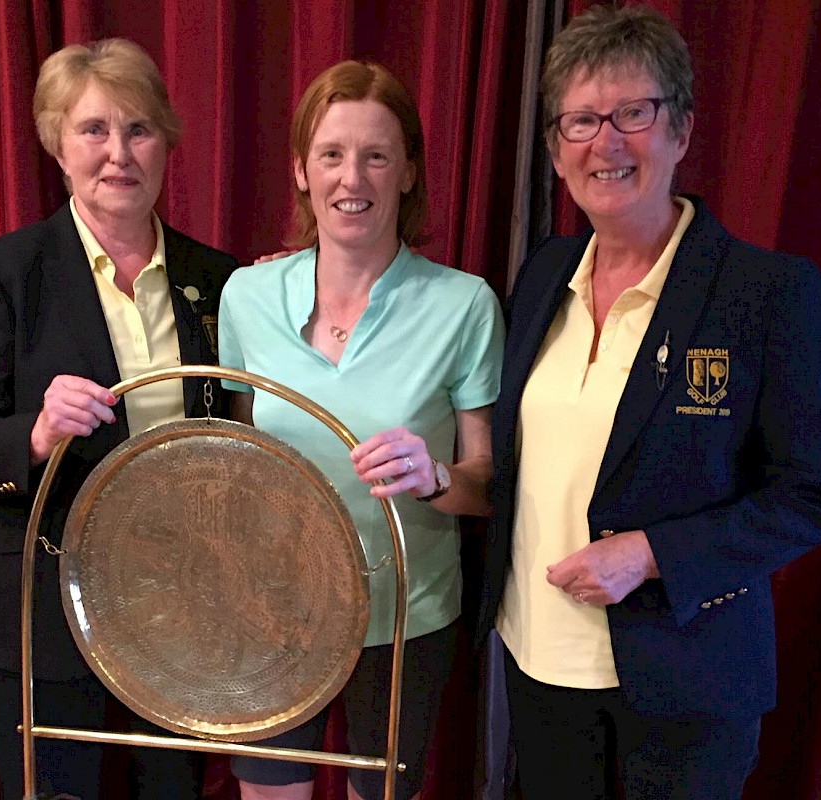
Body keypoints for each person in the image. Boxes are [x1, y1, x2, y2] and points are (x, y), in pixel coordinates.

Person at [477, 5, 821, 799]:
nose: (605, 142)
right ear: (554, 149)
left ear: (680, 130)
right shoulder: (544, 274)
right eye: (580, 120)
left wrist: (650, 553)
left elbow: (812, 497)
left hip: (689, 680)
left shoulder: (765, 294)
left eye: (633, 113)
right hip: (539, 667)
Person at [0, 39, 238, 800]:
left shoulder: (220, 280)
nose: (118, 153)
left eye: (138, 129)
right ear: (56, 146)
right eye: (93, 130)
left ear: (166, 141)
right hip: (37, 616)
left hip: (178, 618)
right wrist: (34, 433)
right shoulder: (5, 271)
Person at [217, 60, 505, 800]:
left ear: (407, 172)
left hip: (408, 619)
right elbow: (236, 460)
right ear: (301, 173)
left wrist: (436, 476)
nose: (355, 177)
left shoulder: (464, 304)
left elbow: (486, 489)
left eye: (377, 155)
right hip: (272, 615)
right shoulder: (246, 295)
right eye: (332, 155)